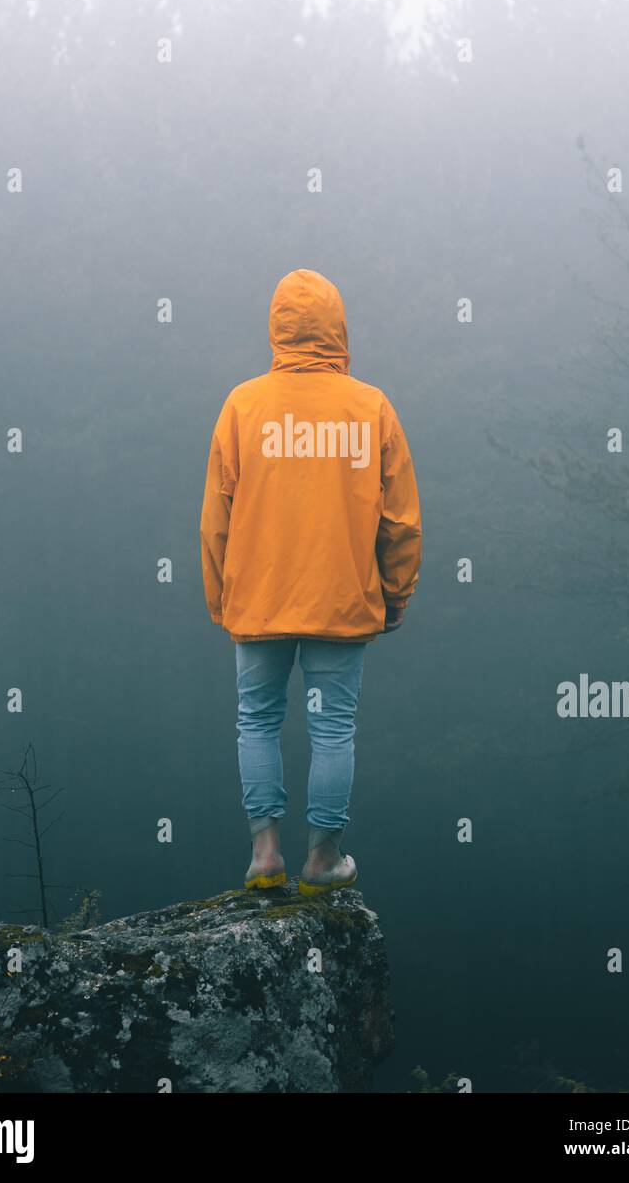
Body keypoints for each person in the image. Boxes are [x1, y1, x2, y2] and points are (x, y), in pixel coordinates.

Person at [200, 269, 422, 894]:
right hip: (341, 598)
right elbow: (401, 519)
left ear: (277, 328)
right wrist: (395, 593)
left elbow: (216, 517)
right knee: (333, 728)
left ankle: (264, 855)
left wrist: (221, 597)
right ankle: (323, 860)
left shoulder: (243, 405)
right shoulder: (369, 406)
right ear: (337, 326)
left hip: (259, 597)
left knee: (257, 720)